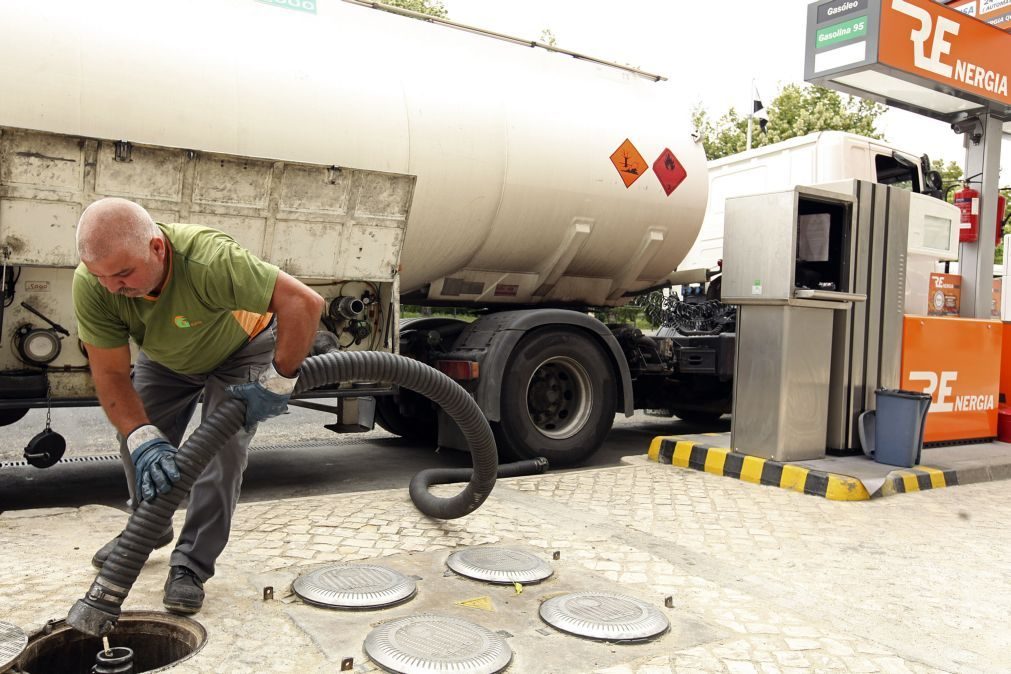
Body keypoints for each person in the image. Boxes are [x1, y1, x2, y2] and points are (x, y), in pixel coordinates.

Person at [73, 198, 324, 615]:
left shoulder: (209, 259)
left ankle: (191, 564)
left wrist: (278, 381)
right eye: (102, 277)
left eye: (123, 273)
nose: (114, 287)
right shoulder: (94, 285)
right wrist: (142, 436)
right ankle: (148, 526)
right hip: (166, 356)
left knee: (222, 454)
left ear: (157, 248)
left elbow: (304, 302)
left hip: (240, 351)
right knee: (137, 435)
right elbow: (112, 377)